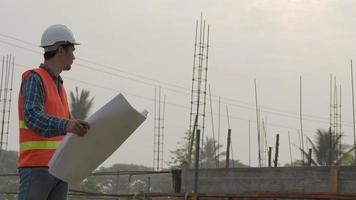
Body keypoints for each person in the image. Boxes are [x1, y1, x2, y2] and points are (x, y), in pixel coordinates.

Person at [17, 24, 90, 200]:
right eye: (72, 49)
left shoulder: (59, 86)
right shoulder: (35, 78)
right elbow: (32, 117)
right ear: (60, 50)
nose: (74, 56)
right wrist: (67, 125)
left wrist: (79, 127)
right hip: (37, 167)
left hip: (59, 168)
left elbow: (66, 128)